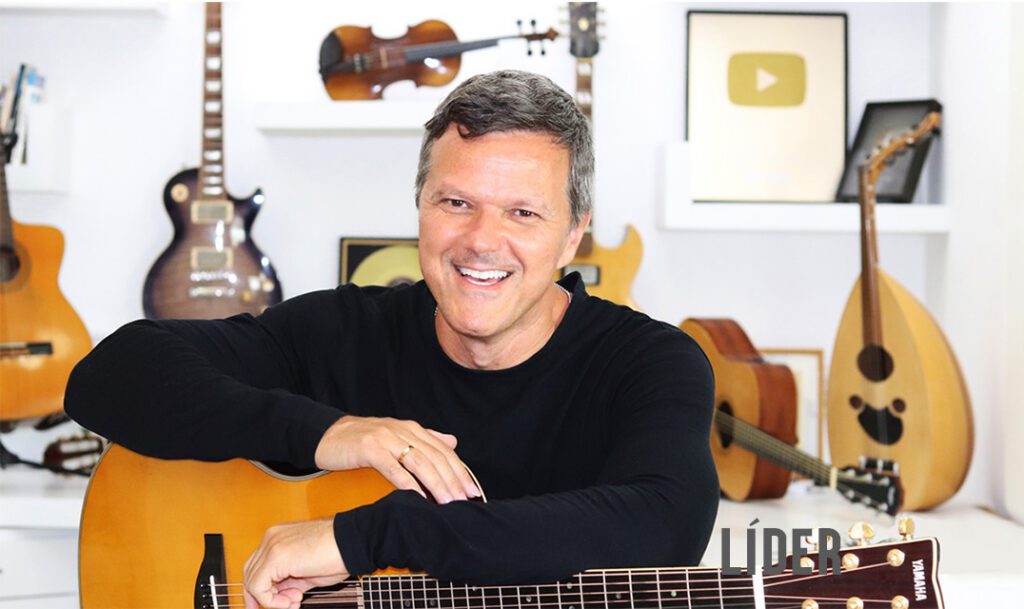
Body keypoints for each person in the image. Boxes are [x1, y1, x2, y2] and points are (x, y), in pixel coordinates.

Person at [65, 69, 718, 609]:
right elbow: (109, 375)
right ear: (420, 209)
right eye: (455, 202)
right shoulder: (342, 332)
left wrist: (364, 538)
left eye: (522, 212)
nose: (482, 240)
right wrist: (330, 432)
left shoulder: (649, 364)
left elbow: (666, 524)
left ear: (574, 232)